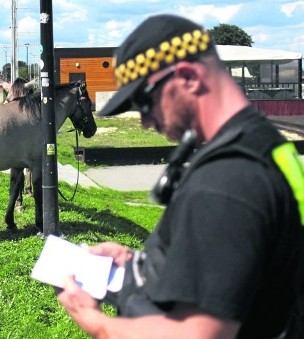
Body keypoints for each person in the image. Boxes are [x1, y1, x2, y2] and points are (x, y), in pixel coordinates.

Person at [56, 14, 304, 338]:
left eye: (145, 101)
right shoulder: (262, 144)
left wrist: (95, 321)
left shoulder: (225, 180)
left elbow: (197, 333)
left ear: (187, 77)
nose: (145, 121)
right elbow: (237, 259)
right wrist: (139, 263)